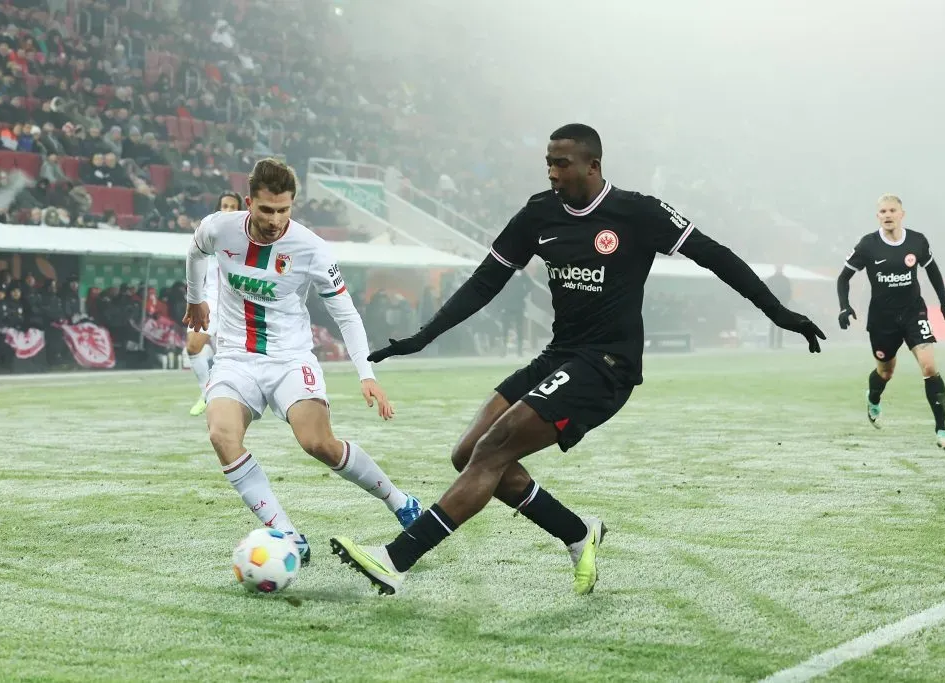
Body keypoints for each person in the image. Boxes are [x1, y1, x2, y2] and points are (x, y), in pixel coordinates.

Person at [328, 124, 826, 595]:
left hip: (608, 364)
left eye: (561, 163)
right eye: (547, 162)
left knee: (496, 444)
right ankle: (577, 532)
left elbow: (716, 255)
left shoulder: (638, 212)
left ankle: (396, 561)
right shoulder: (540, 213)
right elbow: (485, 282)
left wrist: (777, 312)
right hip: (559, 355)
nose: (551, 172)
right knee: (469, 453)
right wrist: (422, 337)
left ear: (593, 165)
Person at [182, 159, 423, 565]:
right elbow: (194, 252)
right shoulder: (219, 228)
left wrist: (367, 373)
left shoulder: (310, 248)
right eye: (266, 210)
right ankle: (288, 535)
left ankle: (401, 502)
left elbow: (346, 312)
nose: (276, 220)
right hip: (236, 359)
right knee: (222, 436)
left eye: (284, 210)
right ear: (248, 203)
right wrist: (195, 297)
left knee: (319, 444)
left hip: (290, 360)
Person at [836, 194, 945, 449]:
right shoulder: (868, 245)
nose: (887, 215)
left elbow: (933, 272)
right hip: (882, 320)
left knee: (929, 367)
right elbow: (843, 278)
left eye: (892, 210)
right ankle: (874, 397)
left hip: (914, 313)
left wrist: (944, 303)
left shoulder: (917, 241)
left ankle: (942, 430)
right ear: (877, 216)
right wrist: (844, 307)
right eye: (882, 211)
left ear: (902, 214)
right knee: (885, 371)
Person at [186, 191, 243, 416]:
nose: (228, 210)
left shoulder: (246, 237)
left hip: (234, 305)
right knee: (192, 347)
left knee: (231, 360)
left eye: (232, 206)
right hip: (209, 303)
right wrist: (194, 299)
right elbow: (195, 265)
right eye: (224, 206)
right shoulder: (207, 233)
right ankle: (206, 391)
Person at [765, 265, 792, 349]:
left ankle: (777, 343)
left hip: (779, 304)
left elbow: (789, 292)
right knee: (774, 324)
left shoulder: (774, 279)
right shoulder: (775, 280)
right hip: (774, 304)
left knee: (779, 324)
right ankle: (772, 343)